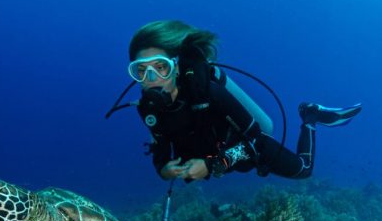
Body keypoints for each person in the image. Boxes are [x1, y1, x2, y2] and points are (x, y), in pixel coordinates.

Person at [125, 20, 362, 181]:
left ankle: (310, 117)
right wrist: (164, 170)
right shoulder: (148, 108)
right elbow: (161, 147)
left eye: (160, 67)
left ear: (176, 67)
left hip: (249, 148)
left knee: (304, 171)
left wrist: (213, 166)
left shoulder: (209, 93)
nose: (151, 78)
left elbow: (256, 141)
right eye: (141, 70)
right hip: (214, 155)